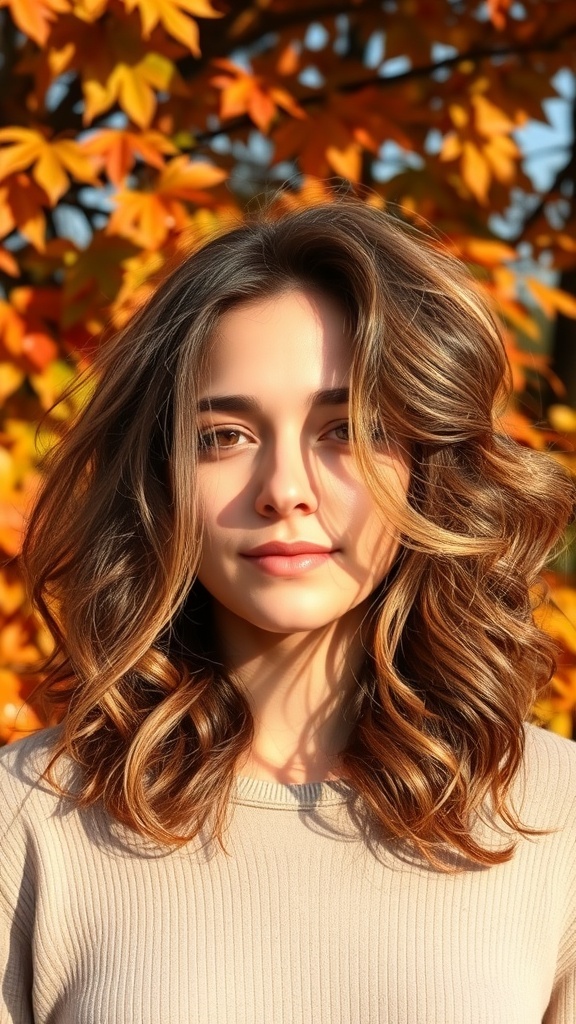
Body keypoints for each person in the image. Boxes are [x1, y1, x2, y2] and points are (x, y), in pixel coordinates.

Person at [1, 193, 575, 1024]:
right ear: (159, 479)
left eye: (347, 430)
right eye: (224, 437)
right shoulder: (29, 818)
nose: (284, 491)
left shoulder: (555, 815)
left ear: (426, 463)